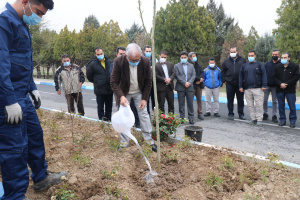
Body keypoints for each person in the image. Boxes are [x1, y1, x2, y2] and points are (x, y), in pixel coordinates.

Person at [0, 1, 67, 199]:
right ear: (25, 2)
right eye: (38, 12)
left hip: (23, 95)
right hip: (8, 98)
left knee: (35, 137)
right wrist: (9, 100)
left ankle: (40, 177)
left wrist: (33, 88)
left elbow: (22, 62)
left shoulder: (23, 25)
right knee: (14, 149)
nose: (39, 17)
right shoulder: (4, 23)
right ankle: (15, 196)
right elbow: (1, 65)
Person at [110, 43, 157, 152]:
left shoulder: (145, 61)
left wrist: (144, 99)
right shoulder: (118, 62)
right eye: (132, 60)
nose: (135, 62)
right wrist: (121, 96)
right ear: (126, 56)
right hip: (124, 92)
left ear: (140, 55)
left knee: (144, 114)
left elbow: (148, 82)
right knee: (123, 116)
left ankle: (148, 140)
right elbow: (113, 82)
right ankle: (124, 142)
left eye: (137, 60)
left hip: (139, 92)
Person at [110, 47, 140, 128]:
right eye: (121, 54)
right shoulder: (116, 63)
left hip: (135, 91)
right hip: (122, 92)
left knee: (136, 112)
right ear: (117, 54)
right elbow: (114, 81)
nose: (122, 56)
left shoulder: (135, 62)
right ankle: (124, 131)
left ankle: (136, 126)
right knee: (123, 112)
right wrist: (121, 96)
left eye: (124, 54)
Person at [239, 50, 267, 126]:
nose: (250, 57)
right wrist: (240, 86)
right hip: (247, 89)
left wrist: (264, 85)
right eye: (249, 56)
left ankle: (259, 120)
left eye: (252, 55)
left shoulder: (260, 65)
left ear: (255, 56)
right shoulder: (244, 66)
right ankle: (253, 118)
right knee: (250, 105)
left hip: (258, 88)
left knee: (259, 105)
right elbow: (241, 77)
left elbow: (264, 75)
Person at [273, 52, 299, 128]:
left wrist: (287, 84)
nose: (283, 59)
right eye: (282, 57)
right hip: (280, 89)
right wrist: (280, 84)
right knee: (281, 106)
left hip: (290, 90)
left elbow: (296, 77)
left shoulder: (295, 66)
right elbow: (274, 77)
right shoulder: (278, 67)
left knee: (292, 106)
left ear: (289, 58)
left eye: (285, 57)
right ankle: (282, 120)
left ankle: (292, 121)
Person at [87, 47, 113, 121]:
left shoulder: (109, 62)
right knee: (100, 107)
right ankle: (102, 121)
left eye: (101, 54)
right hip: (99, 90)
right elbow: (89, 76)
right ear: (95, 55)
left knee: (109, 107)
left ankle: (108, 119)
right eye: (98, 54)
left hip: (109, 89)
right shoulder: (92, 64)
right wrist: (97, 82)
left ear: (103, 53)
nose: (100, 55)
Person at [221, 47, 247, 120]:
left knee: (240, 100)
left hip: (240, 84)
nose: (232, 53)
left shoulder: (243, 60)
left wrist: (244, 81)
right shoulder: (226, 62)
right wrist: (224, 80)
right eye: (231, 52)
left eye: (234, 51)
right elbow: (222, 72)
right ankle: (230, 113)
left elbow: (245, 71)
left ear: (237, 52)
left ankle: (241, 114)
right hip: (230, 84)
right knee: (230, 100)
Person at [174, 51, 196, 124]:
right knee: (181, 103)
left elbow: (194, 75)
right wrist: (184, 83)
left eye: (185, 57)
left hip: (189, 87)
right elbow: (177, 76)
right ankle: (182, 118)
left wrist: (189, 82)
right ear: (180, 58)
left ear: (187, 58)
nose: (183, 59)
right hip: (181, 87)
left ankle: (191, 118)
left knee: (190, 103)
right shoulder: (176, 66)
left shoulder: (191, 66)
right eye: (182, 58)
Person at [263, 49, 281, 123]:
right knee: (264, 100)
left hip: (275, 86)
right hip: (267, 85)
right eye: (273, 54)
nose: (274, 56)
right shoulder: (267, 64)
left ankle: (274, 115)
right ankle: (265, 113)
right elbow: (263, 74)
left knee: (274, 101)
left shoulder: (281, 64)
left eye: (276, 55)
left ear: (279, 55)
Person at [188, 52, 204, 120]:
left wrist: (200, 79)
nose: (195, 57)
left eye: (195, 56)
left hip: (199, 85)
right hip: (192, 85)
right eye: (193, 56)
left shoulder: (197, 64)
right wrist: (198, 79)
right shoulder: (189, 65)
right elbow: (191, 74)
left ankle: (200, 113)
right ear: (190, 58)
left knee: (199, 100)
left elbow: (202, 72)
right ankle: (191, 115)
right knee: (190, 101)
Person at [144, 45, 157, 115]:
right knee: (146, 100)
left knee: (154, 101)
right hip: (145, 84)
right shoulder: (141, 59)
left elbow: (157, 70)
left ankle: (155, 116)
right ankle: (147, 115)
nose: (148, 52)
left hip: (153, 83)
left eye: (149, 51)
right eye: (147, 51)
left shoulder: (155, 60)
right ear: (144, 51)